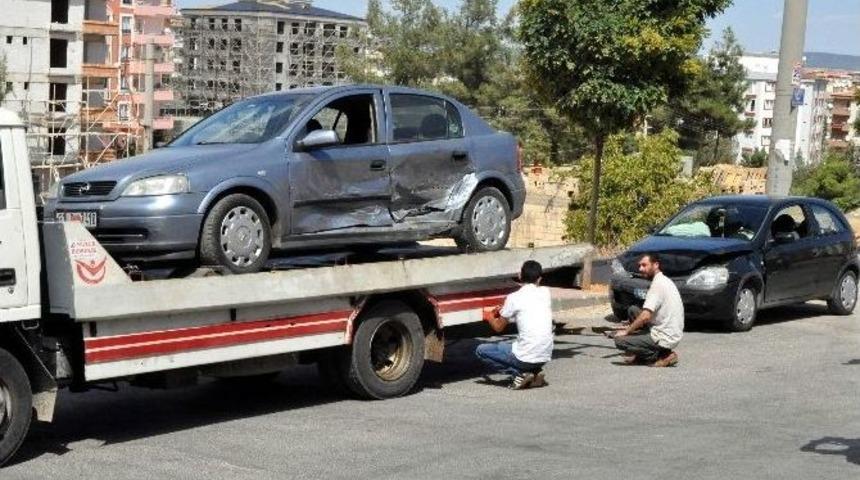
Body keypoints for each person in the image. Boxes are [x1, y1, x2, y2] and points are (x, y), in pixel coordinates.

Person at [476, 260, 554, 389]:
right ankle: (535, 372)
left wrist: (489, 316)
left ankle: (519, 374)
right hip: (544, 356)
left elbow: (498, 327)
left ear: (519, 275)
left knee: (481, 350)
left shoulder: (514, 297)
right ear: (539, 279)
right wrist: (505, 308)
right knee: (503, 345)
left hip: (524, 358)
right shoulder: (546, 292)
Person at [613, 253, 684, 367]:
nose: (640, 269)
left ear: (656, 265)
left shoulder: (658, 285)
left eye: (644, 265)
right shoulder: (663, 280)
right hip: (668, 330)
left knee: (620, 341)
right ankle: (643, 352)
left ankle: (662, 355)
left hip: (664, 336)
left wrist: (627, 331)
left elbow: (646, 316)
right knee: (633, 310)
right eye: (639, 266)